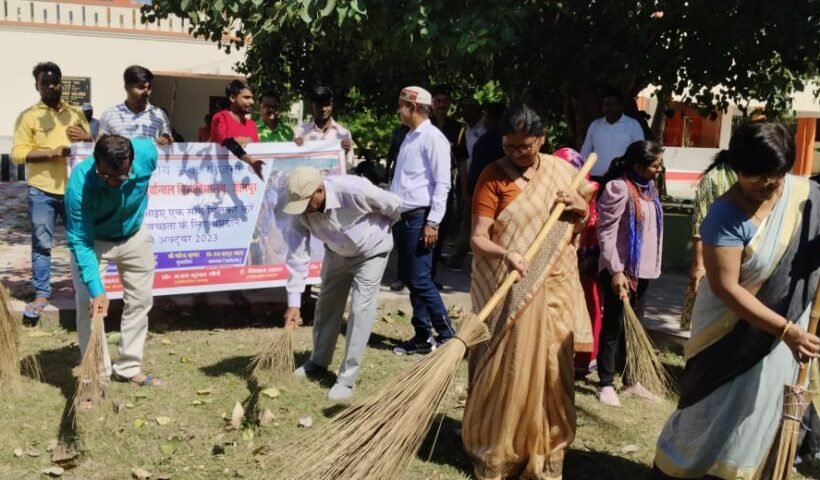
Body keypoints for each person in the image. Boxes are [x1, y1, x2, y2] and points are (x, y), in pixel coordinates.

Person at [650, 122, 820, 479]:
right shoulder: (724, 216)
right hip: (727, 339)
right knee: (708, 420)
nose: (766, 184)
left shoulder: (807, 200)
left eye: (774, 175)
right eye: (753, 175)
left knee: (759, 419)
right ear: (737, 168)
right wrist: (786, 330)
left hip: (782, 347)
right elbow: (727, 288)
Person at [462, 105, 593, 479]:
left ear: (542, 139)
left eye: (525, 146)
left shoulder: (562, 173)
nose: (517, 153)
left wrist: (581, 208)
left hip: (556, 287)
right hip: (513, 287)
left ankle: (548, 449)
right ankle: (501, 448)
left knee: (554, 369)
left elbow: (577, 227)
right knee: (511, 368)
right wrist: (507, 254)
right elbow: (477, 238)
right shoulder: (492, 177)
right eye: (509, 146)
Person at [283, 167, 402, 401]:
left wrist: (380, 229)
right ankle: (318, 361)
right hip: (335, 253)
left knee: (360, 309)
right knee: (326, 305)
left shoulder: (354, 189)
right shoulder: (299, 212)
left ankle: (347, 378)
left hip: (371, 252)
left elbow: (394, 205)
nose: (303, 210)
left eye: (306, 202)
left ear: (319, 190)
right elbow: (297, 256)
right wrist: (294, 304)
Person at [65, 135, 162, 393]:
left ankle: (129, 367)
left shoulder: (147, 153)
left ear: (131, 162)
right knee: (89, 306)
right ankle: (96, 375)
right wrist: (97, 291)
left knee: (140, 300)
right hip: (94, 241)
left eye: (120, 177)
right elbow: (80, 241)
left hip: (134, 235)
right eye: (105, 175)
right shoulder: (80, 183)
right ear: (95, 162)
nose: (111, 182)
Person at [12, 61, 91, 320]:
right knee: (42, 244)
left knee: (80, 241)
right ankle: (42, 293)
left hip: (75, 189)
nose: (51, 86)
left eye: (55, 81)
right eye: (45, 82)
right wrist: (52, 153)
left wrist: (87, 138)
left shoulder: (76, 113)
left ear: (61, 83)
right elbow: (18, 154)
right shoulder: (28, 117)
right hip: (42, 190)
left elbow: (90, 149)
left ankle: (84, 287)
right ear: (37, 86)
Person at [596, 140, 665, 406]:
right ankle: (605, 383)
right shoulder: (618, 188)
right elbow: (606, 232)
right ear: (638, 166)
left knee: (634, 323)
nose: (659, 169)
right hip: (620, 269)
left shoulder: (649, 189)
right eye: (655, 165)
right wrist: (616, 271)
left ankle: (631, 380)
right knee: (613, 326)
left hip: (643, 270)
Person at [389, 86, 454, 354]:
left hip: (421, 217)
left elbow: (442, 183)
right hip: (403, 217)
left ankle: (447, 334)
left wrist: (433, 222)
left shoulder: (433, 138)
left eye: (401, 105)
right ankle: (422, 334)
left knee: (420, 280)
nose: (399, 111)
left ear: (412, 107)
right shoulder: (409, 137)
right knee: (412, 278)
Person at [554, 147, 603, 376]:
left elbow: (589, 224)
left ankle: (585, 358)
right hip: (560, 257)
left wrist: (588, 254)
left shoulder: (587, 189)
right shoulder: (553, 188)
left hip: (583, 255)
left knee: (588, 303)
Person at [680, 151, 738, 330]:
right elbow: (699, 223)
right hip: (717, 257)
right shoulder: (714, 178)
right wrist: (699, 266)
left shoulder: (762, 175)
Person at [448, 102, 504, 271]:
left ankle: (459, 258)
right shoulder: (508, 138)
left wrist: (468, 191)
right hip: (500, 187)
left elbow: (476, 168)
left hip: (481, 187)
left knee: (471, 223)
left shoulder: (487, 140)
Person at [580, 89, 645, 179]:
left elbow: (640, 152)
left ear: (621, 106)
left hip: (622, 179)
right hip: (596, 178)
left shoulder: (633, 125)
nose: (610, 108)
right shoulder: (595, 125)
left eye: (614, 104)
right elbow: (585, 152)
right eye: (607, 104)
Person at [99, 65, 172, 145]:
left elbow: (168, 142)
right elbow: (102, 145)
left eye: (149, 88)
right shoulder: (109, 114)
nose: (146, 93)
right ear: (127, 87)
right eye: (141, 87)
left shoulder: (160, 115)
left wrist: (166, 140)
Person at [209, 80, 264, 180]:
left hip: (247, 182)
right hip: (220, 182)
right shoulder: (220, 117)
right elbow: (228, 142)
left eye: (252, 98)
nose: (252, 102)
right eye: (246, 97)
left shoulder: (252, 125)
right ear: (232, 98)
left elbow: (256, 151)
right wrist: (251, 161)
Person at [294, 86, 353, 165]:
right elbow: (294, 164)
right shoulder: (300, 132)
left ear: (332, 105)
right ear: (312, 106)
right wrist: (296, 148)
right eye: (319, 105)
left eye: (326, 104)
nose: (323, 109)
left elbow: (349, 165)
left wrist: (345, 152)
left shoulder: (344, 133)